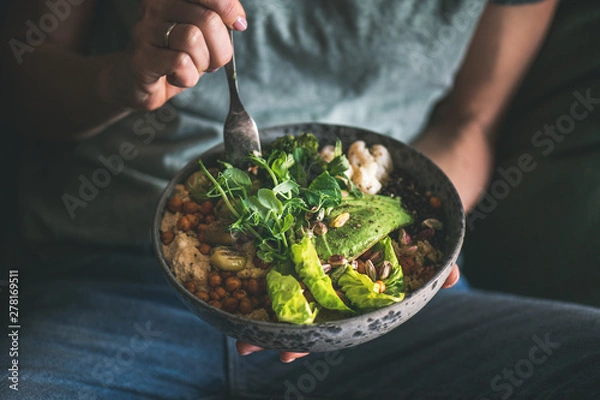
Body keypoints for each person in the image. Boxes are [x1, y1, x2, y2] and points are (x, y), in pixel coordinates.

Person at [1, 0, 599, 399]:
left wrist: (414, 251)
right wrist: (121, 78)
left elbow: (472, 120)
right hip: (109, 279)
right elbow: (23, 86)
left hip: (388, 322)